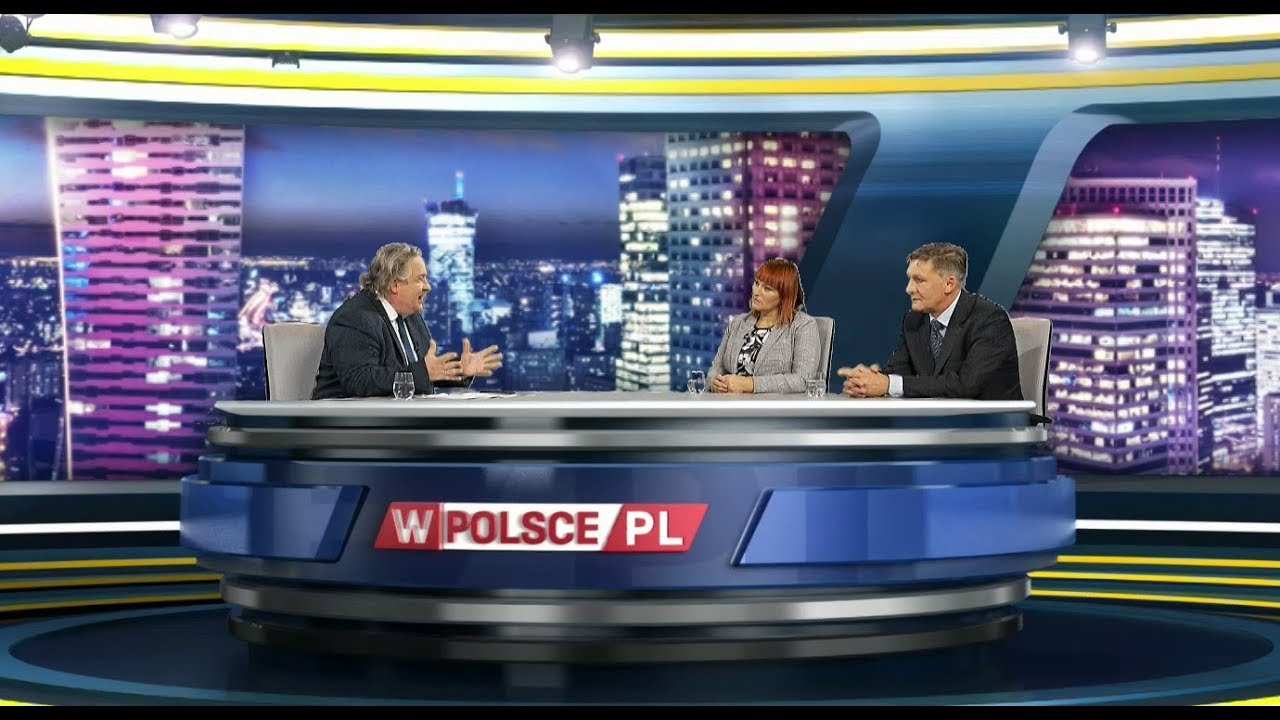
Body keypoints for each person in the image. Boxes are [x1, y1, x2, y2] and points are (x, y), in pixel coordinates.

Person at [311, 242, 502, 399]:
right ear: (395, 284)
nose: (427, 287)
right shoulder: (356, 317)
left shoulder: (411, 317)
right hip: (348, 424)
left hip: (401, 418)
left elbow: (425, 370)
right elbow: (361, 380)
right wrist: (424, 373)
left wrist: (461, 370)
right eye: (420, 279)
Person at [838, 242, 1021, 400]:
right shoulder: (914, 321)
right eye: (910, 279)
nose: (909, 289)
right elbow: (898, 372)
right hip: (937, 420)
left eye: (919, 280)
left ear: (949, 284)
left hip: (994, 422)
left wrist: (888, 384)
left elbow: (966, 384)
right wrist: (867, 382)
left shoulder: (989, 319)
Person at [707, 257, 821, 394]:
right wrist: (715, 383)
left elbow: (803, 380)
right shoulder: (738, 322)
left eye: (767, 289)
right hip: (729, 402)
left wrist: (750, 384)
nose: (756, 292)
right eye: (757, 283)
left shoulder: (803, 326)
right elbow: (716, 368)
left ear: (785, 296)